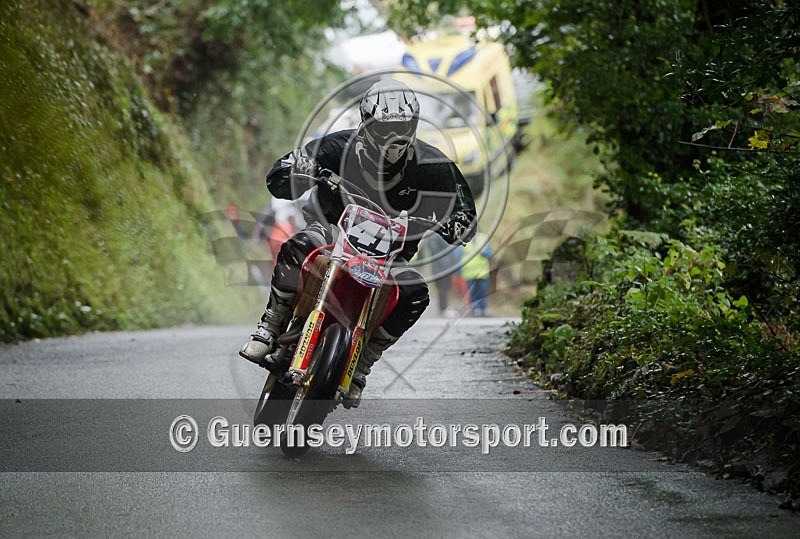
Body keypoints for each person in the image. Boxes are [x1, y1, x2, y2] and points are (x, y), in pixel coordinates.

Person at [239, 79, 477, 406]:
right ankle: (270, 325)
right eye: (384, 127)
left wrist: (458, 223)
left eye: (401, 127)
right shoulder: (337, 146)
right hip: (329, 231)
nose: (393, 135)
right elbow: (279, 176)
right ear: (366, 122)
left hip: (391, 254)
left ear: (413, 125)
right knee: (299, 246)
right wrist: (299, 169)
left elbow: (464, 209)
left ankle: (363, 364)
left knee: (414, 293)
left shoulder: (432, 163)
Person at [460, 230, 492, 317]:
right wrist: (459, 270)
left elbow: (489, 253)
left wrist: (484, 252)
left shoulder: (483, 238)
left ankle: (483, 308)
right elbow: (459, 255)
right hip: (469, 272)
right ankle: (476, 309)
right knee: (473, 293)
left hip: (482, 272)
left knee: (482, 291)